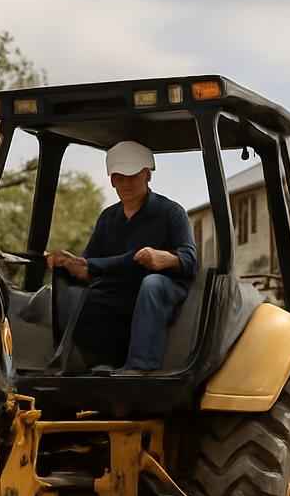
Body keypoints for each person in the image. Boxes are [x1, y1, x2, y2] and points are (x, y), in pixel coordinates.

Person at [47, 140, 198, 372]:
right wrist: (69, 264)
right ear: (112, 180)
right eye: (120, 177)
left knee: (152, 283)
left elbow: (190, 260)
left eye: (133, 176)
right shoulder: (108, 218)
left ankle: (140, 366)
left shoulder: (171, 212)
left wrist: (166, 258)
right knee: (80, 295)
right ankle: (99, 363)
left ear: (147, 175)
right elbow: (89, 265)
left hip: (164, 288)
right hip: (121, 289)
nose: (126, 183)